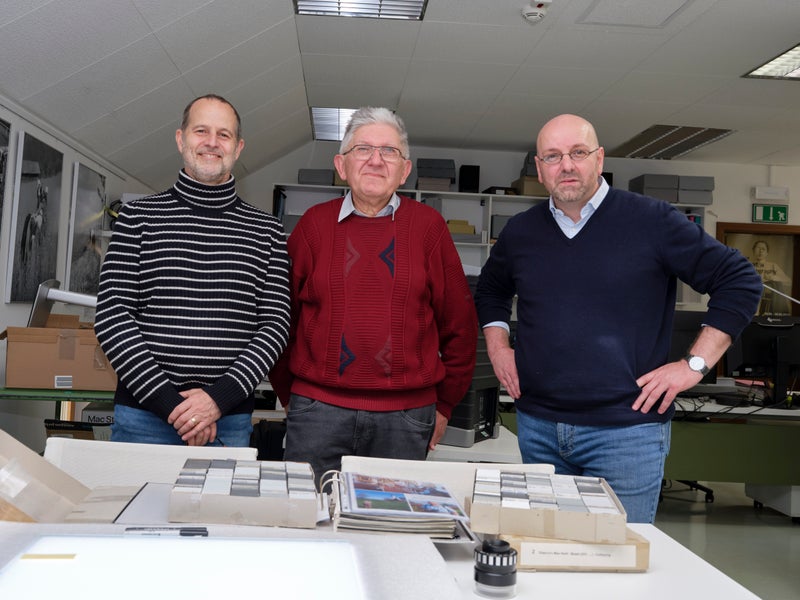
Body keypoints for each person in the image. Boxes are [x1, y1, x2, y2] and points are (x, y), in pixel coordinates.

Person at [475, 114, 762, 523]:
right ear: (539, 169)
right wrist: (498, 348)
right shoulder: (520, 232)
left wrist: (694, 365)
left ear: (599, 158)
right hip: (538, 427)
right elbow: (491, 290)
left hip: (627, 435)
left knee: (621, 555)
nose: (566, 165)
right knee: (546, 550)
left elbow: (740, 280)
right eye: (553, 156)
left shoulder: (652, 220)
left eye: (578, 152)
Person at [270, 106, 478, 486]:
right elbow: (281, 319)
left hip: (405, 419)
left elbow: (461, 325)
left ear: (405, 170)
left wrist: (445, 404)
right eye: (363, 149)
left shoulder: (429, 228)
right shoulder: (313, 226)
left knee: (392, 520)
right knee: (310, 517)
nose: (376, 160)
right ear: (342, 165)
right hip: (317, 414)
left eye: (389, 151)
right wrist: (291, 397)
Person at [94, 94, 291, 447]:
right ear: (180, 139)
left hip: (228, 421)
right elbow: (113, 318)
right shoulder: (137, 218)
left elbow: (274, 326)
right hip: (143, 419)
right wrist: (174, 408)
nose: (212, 142)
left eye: (224, 134)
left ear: (238, 147)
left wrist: (216, 401)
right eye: (201, 131)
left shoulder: (267, 232)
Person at [750, 240, 791, 315]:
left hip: (767, 299)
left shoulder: (773, 266)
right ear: (753, 250)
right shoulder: (748, 266)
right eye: (758, 248)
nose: (760, 251)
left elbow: (788, 281)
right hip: (751, 296)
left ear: (767, 253)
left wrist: (773, 277)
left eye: (763, 249)